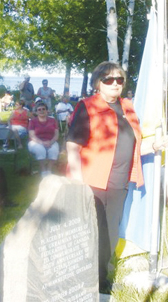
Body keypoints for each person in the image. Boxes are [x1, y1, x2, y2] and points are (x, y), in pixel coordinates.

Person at [66, 61, 144, 293]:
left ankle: (101, 277)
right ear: (98, 83)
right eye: (108, 79)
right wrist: (78, 183)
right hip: (93, 181)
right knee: (91, 230)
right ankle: (83, 276)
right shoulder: (87, 106)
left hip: (120, 181)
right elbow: (72, 146)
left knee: (110, 230)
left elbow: (135, 142)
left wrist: (158, 143)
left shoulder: (128, 107)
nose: (115, 84)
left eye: (119, 79)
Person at [28, 102, 59, 177]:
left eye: (43, 109)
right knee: (40, 150)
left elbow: (56, 134)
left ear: (47, 110)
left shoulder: (53, 120)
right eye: (39, 110)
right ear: (36, 112)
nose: (41, 111)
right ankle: (43, 170)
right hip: (35, 141)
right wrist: (42, 142)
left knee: (54, 150)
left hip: (51, 141)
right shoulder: (33, 121)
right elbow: (32, 135)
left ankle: (49, 170)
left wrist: (51, 142)